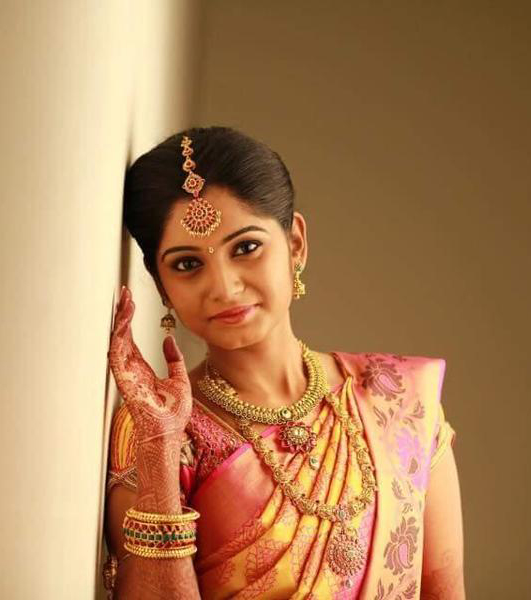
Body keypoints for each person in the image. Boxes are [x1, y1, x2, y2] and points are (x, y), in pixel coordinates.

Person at [104, 126, 465, 599]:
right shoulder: (160, 430)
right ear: (160, 285)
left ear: (295, 244)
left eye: (246, 248)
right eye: (188, 264)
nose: (225, 287)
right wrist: (158, 453)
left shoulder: (399, 402)